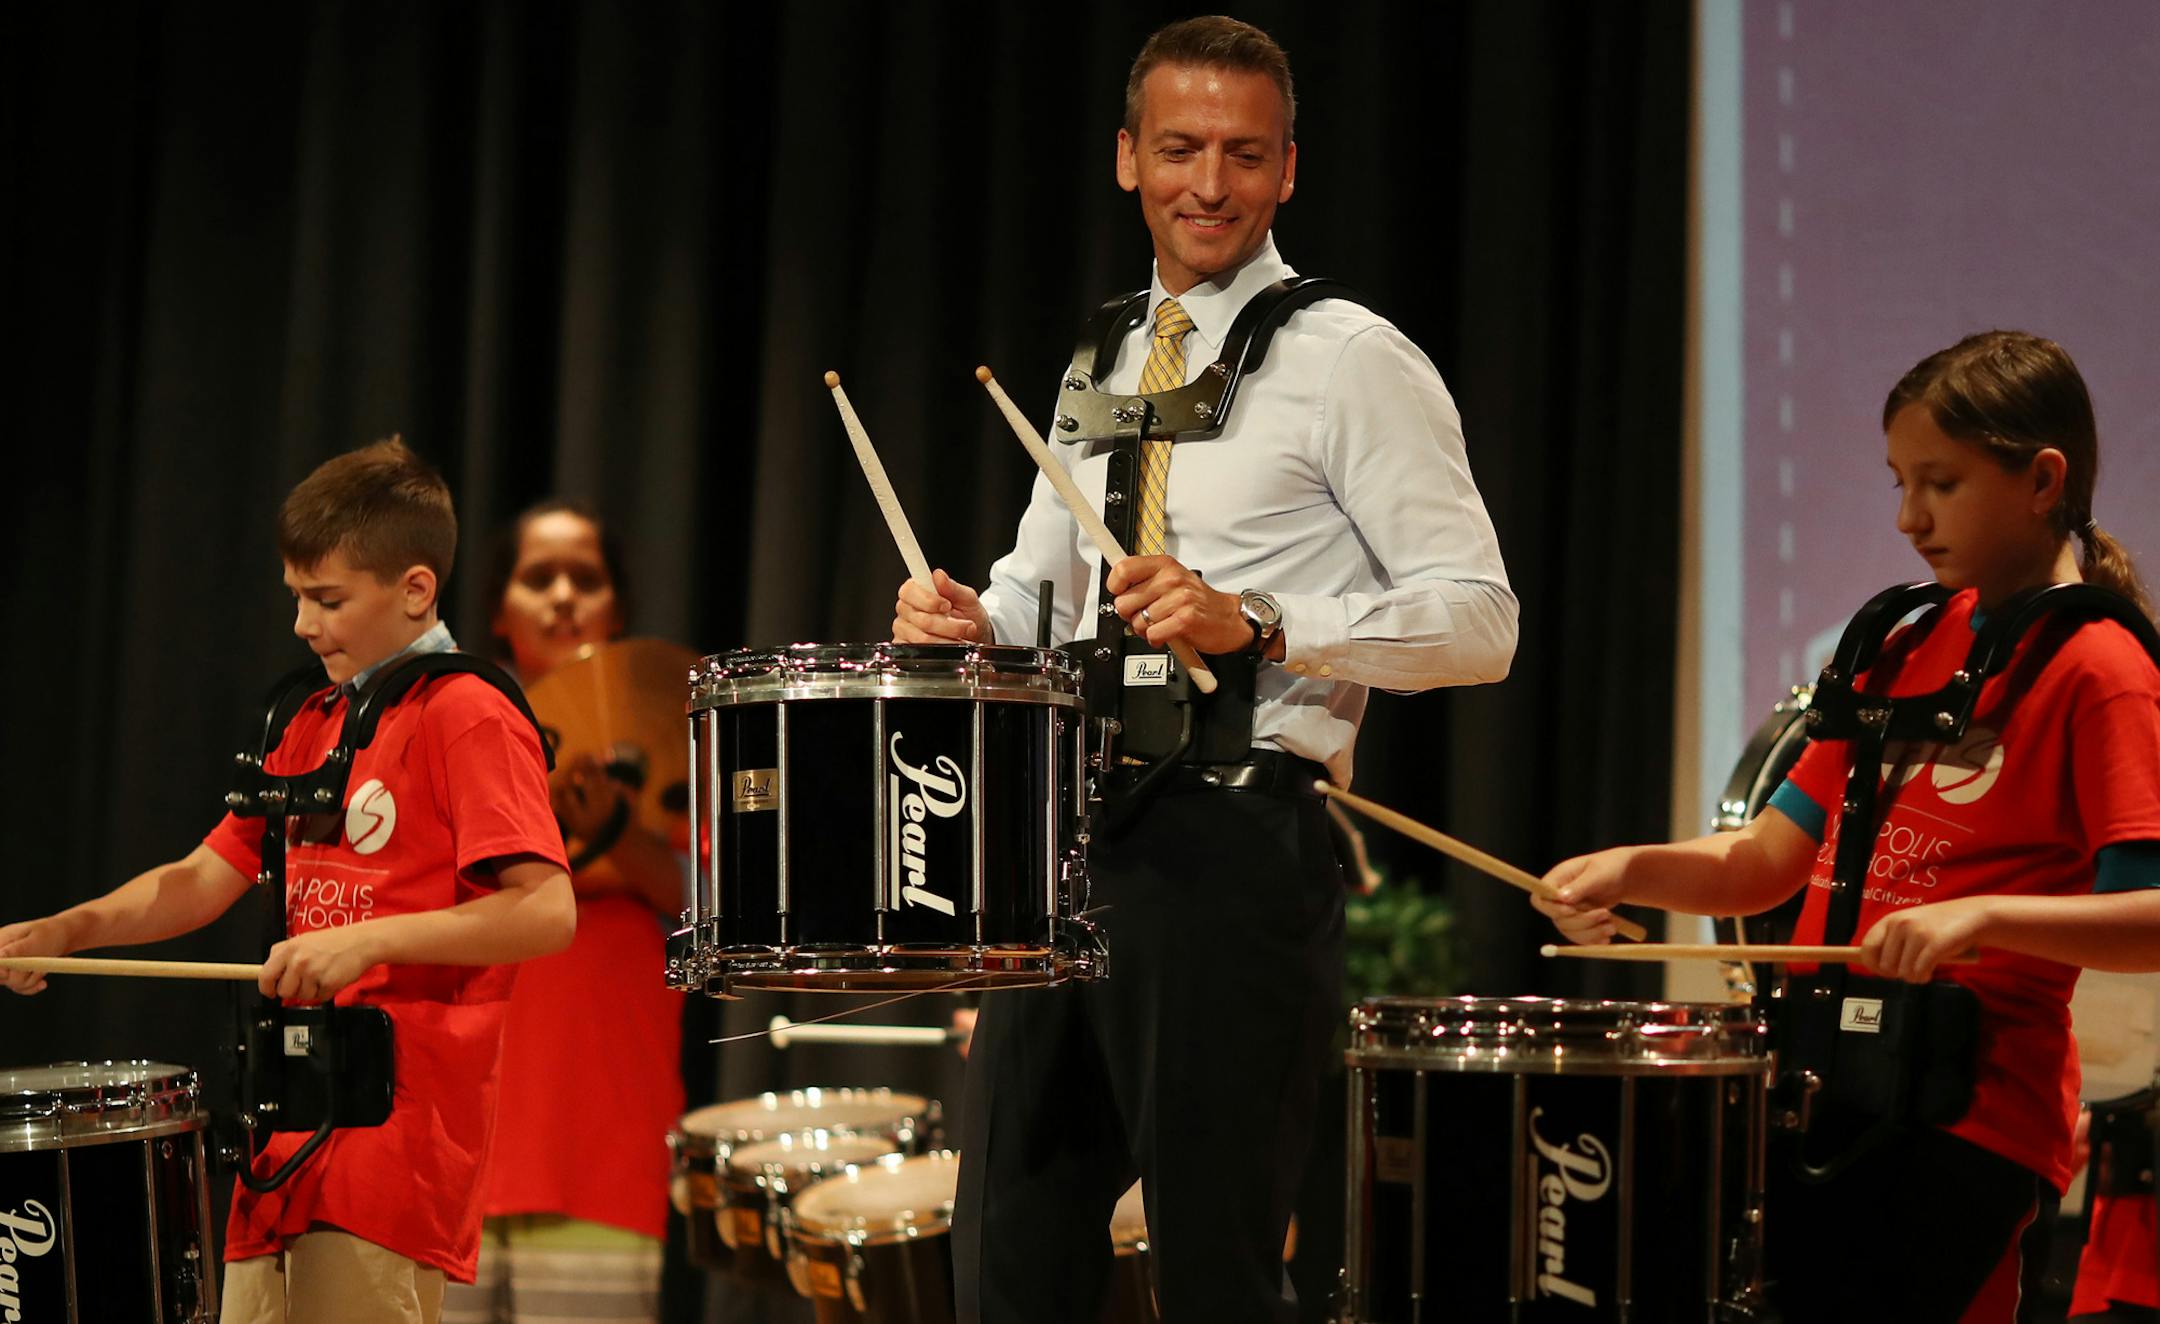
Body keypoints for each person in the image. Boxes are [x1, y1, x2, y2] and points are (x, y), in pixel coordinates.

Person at [892, 16, 1517, 1320]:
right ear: (1128, 158)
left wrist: (1265, 621)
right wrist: (970, 621)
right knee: (1008, 1255)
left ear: (1291, 169)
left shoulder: (1352, 358)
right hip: (1064, 845)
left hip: (1233, 846)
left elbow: (1480, 622)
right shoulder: (1100, 360)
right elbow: (1038, 589)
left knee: (1215, 1267)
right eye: (1179, 149)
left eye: (1244, 154)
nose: (1209, 186)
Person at [1535, 330, 2160, 1322]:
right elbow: (1762, 862)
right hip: (1833, 1085)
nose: (1910, 516)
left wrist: (1980, 920)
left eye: (1941, 483)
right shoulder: (1900, 644)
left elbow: (2152, 916)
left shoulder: (2101, 668)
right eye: (1899, 482)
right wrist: (1627, 867)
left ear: (2044, 479)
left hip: (1975, 1109)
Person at [0, 437, 576, 1324]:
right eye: (298, 597)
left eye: (329, 600)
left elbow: (545, 910)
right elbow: (204, 874)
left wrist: (367, 939)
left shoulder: (468, 712)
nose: (305, 624)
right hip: (282, 1136)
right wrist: (68, 929)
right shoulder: (308, 715)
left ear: (415, 590)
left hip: (391, 1141)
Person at [441, 501, 685, 1324]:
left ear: (616, 608)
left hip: (601, 1137)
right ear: (498, 611)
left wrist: (613, 831)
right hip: (453, 1145)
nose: (562, 597)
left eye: (586, 579)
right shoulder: (451, 737)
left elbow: (703, 900)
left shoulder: (672, 748)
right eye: (537, 578)